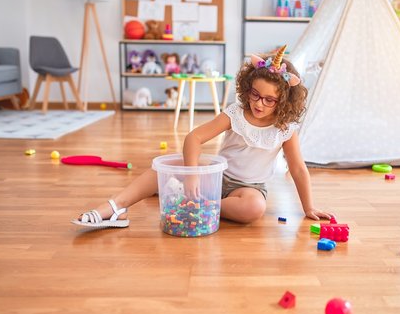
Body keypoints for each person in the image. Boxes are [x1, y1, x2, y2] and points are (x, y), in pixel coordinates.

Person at [73, 45, 333, 228]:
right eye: (255, 94)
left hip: (248, 190)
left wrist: (308, 207)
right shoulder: (235, 114)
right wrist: (194, 174)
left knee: (255, 208)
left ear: (283, 101)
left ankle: (186, 199)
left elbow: (298, 170)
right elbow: (194, 138)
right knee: (162, 167)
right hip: (215, 176)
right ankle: (115, 207)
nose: (259, 103)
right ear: (247, 88)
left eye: (269, 99)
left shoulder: (285, 129)